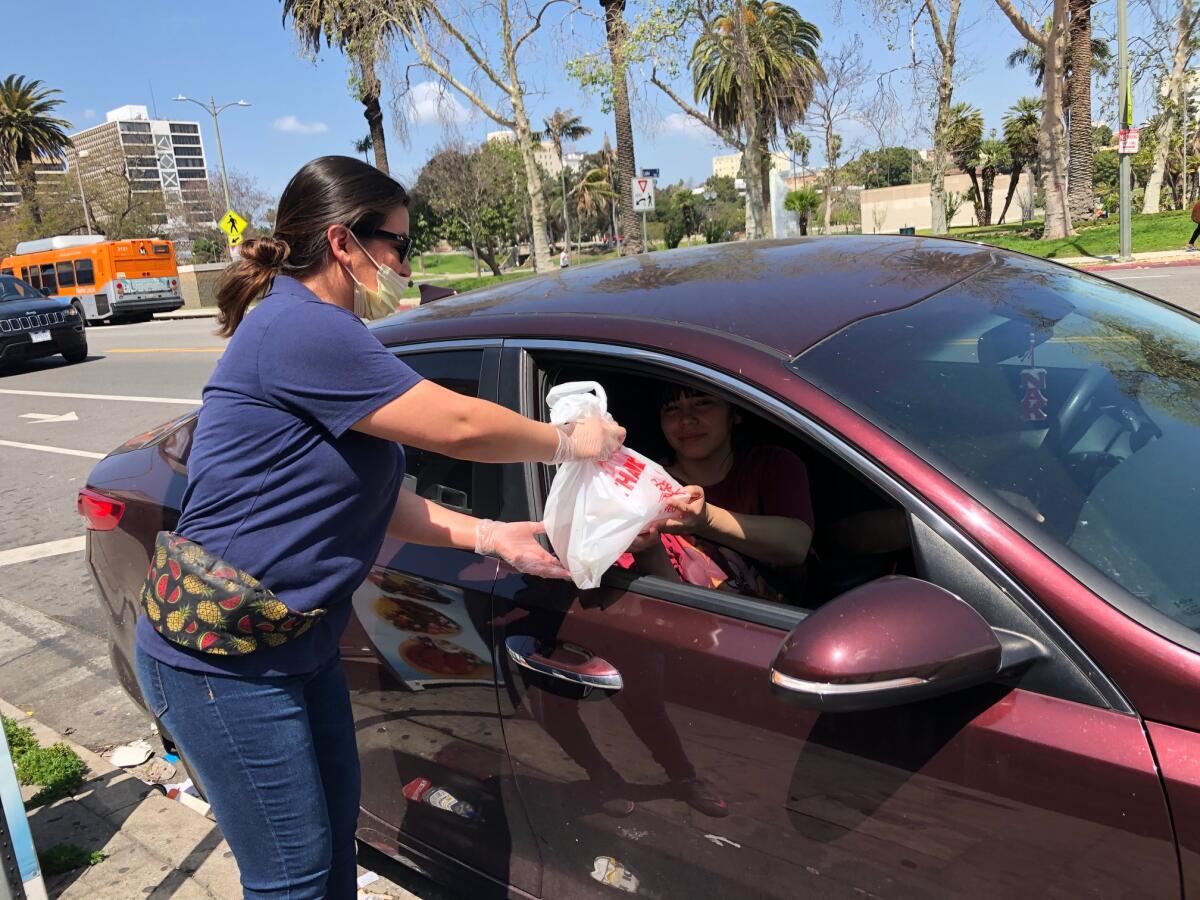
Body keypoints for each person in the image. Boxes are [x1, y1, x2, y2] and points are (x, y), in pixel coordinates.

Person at [133, 156, 624, 900]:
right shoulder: (301, 329)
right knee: (291, 882)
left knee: (331, 864)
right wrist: (570, 442)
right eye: (395, 243)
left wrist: (490, 537)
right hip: (222, 661)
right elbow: (458, 426)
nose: (403, 262)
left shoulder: (324, 333)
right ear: (342, 242)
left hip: (294, 643)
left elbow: (368, 498)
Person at [630, 385, 813, 601]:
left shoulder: (773, 464)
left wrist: (706, 519)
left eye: (702, 403)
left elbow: (795, 546)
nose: (686, 420)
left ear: (734, 413)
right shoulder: (645, 486)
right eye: (671, 408)